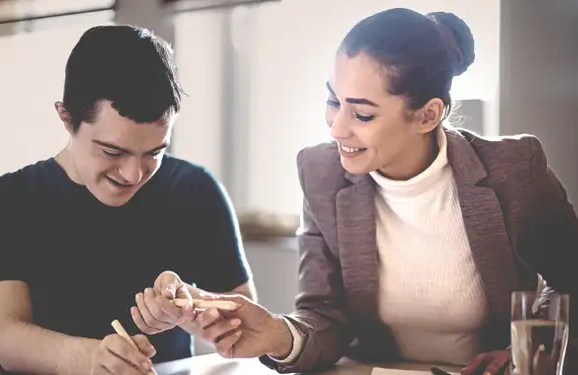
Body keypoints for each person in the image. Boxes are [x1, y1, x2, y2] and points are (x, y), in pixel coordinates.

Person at [139, 7, 578, 375]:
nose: (336, 127)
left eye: (363, 114)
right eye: (334, 101)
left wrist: (528, 351)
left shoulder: (513, 169)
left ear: (428, 115)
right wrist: (277, 333)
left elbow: (569, 280)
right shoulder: (321, 172)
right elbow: (324, 317)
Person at [0, 25, 256, 375]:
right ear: (66, 118)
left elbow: (242, 323)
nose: (133, 174)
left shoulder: (196, 190)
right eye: (112, 151)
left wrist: (194, 312)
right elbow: (8, 340)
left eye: (154, 153)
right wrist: (94, 358)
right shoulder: (3, 203)